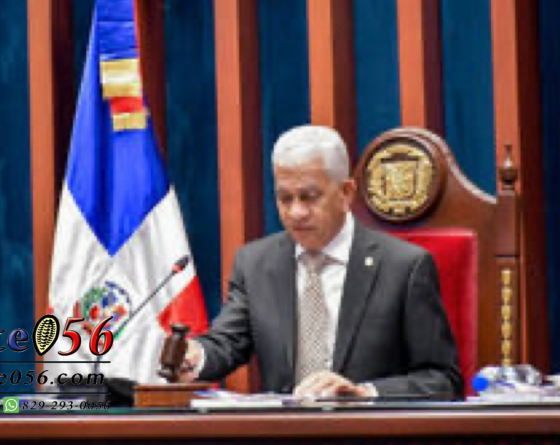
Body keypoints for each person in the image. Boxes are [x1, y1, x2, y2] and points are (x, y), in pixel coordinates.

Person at [178, 125, 462, 399]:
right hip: (284, 428)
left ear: (346, 192)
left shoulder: (404, 267)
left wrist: (364, 393)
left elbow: (441, 380)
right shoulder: (256, 264)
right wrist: (193, 357)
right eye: (285, 198)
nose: (296, 212)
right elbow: (227, 343)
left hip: (366, 428)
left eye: (310, 197)